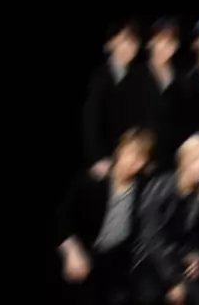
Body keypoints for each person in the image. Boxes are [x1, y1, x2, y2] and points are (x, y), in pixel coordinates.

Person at [56, 128, 155, 305]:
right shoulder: (93, 179)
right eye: (130, 153)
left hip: (116, 265)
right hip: (84, 256)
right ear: (119, 150)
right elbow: (63, 217)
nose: (133, 162)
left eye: (141, 158)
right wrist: (71, 250)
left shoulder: (142, 187)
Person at [133, 132, 199, 304]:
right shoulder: (160, 187)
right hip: (150, 267)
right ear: (185, 159)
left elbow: (190, 237)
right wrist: (173, 281)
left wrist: (196, 256)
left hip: (176, 265)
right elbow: (151, 239)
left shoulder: (198, 197)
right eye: (198, 159)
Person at [82, 19, 144, 178]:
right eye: (123, 41)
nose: (128, 47)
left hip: (132, 159)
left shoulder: (139, 77)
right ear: (110, 44)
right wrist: (98, 158)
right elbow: (90, 121)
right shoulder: (98, 77)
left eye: (133, 42)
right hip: (104, 160)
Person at [138, 17, 190, 172]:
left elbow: (185, 120)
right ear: (150, 43)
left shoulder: (182, 79)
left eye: (169, 42)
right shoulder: (136, 76)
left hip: (173, 159)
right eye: (159, 40)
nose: (164, 47)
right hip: (141, 157)